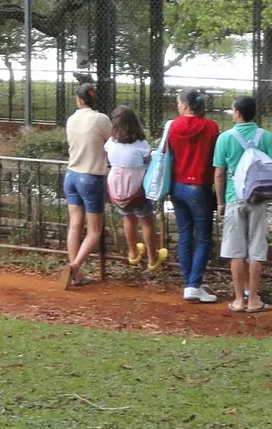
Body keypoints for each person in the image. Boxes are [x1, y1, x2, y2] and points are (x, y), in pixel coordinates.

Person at [212, 94, 272, 313]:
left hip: (234, 198)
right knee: (256, 250)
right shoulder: (266, 137)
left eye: (233, 110)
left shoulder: (225, 138)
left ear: (238, 112)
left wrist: (220, 202)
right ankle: (254, 300)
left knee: (236, 251)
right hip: (259, 198)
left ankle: (239, 299)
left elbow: (219, 173)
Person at [166, 89, 221, 302]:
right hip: (200, 185)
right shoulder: (211, 127)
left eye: (179, 102)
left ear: (184, 105)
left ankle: (189, 280)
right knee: (204, 236)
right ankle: (193, 284)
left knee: (185, 234)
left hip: (177, 184)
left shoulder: (173, 126)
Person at [105, 105, 167, 271]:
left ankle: (133, 253)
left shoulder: (110, 143)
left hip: (117, 188)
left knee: (128, 217)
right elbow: (148, 159)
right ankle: (153, 259)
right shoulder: (141, 144)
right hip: (136, 188)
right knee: (146, 222)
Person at [62, 82, 110, 288]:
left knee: (74, 225)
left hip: (71, 175)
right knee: (94, 231)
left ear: (79, 100)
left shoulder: (71, 119)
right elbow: (112, 141)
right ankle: (74, 267)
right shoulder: (101, 119)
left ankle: (77, 274)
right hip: (91, 176)